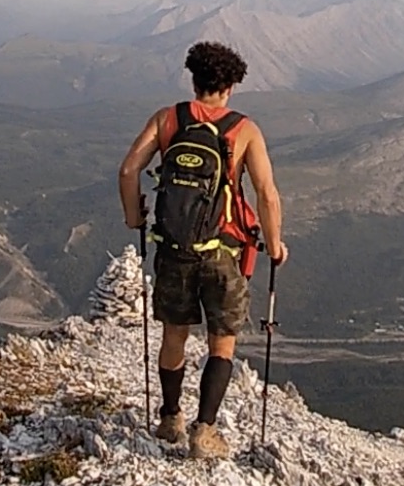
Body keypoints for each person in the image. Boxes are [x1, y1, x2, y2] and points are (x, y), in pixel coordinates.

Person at [118, 39, 288, 460]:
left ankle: (170, 417)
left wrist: (134, 219)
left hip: (175, 248)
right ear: (229, 86)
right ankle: (205, 430)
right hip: (222, 253)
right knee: (222, 342)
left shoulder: (168, 120)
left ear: (194, 80)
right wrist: (275, 243)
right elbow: (266, 193)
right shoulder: (243, 129)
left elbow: (127, 170)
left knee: (173, 335)